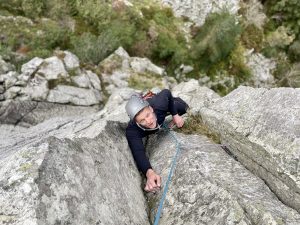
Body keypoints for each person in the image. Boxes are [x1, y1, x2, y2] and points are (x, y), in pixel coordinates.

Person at [125, 89, 189, 193]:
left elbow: (167, 92)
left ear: (150, 109)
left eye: (148, 115)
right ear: (136, 122)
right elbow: (138, 152)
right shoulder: (132, 130)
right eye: (142, 121)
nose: (148, 121)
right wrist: (149, 172)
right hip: (158, 111)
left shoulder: (159, 105)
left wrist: (175, 115)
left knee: (184, 108)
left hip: (160, 105)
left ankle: (155, 97)